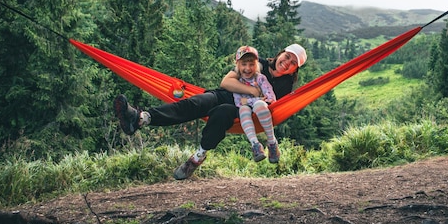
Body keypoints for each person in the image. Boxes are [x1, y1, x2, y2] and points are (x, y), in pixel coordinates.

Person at [113, 42, 307, 180]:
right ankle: (141, 118)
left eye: (292, 63)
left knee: (221, 114)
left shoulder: (285, 85)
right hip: (224, 94)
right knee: (196, 102)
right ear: (281, 53)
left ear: (294, 70)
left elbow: (271, 108)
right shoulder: (257, 63)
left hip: (242, 111)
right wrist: (252, 90)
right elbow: (227, 82)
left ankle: (197, 157)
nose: (287, 62)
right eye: (287, 56)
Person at [232, 46, 279, 164]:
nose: (247, 68)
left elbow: (271, 98)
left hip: (261, 110)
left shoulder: (261, 78)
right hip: (246, 112)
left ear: (257, 65)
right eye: (244, 64)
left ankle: (272, 143)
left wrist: (249, 101)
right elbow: (238, 102)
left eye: (251, 64)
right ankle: (255, 145)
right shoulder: (236, 82)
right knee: (243, 109)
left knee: (258, 104)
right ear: (237, 65)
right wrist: (254, 99)